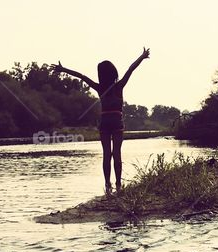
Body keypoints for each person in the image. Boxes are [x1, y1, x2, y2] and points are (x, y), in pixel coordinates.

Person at [54, 48, 150, 193]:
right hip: (117, 122)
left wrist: (63, 69)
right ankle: (118, 185)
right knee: (117, 153)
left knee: (107, 155)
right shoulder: (119, 86)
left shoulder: (100, 88)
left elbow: (81, 76)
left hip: (104, 123)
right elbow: (131, 69)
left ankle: (107, 184)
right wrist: (142, 57)